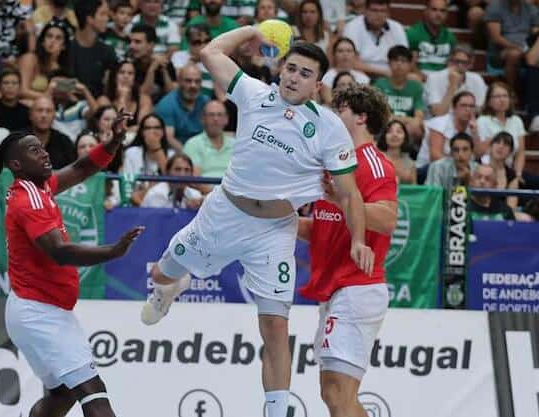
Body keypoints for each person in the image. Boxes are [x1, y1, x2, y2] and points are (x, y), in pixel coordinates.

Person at [142, 30, 373, 417]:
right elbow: (208, 52)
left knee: (275, 326)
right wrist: (251, 31)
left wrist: (358, 240)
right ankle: (168, 290)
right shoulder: (252, 92)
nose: (293, 77)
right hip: (224, 214)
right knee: (165, 271)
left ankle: (276, 410)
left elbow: (350, 194)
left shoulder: (330, 129)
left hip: (274, 231)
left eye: (304, 74)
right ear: (281, 68)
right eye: (290, 68)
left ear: (317, 85)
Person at [0, 118, 143, 417]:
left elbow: (81, 169)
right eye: (33, 151)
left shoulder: (39, 187)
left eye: (41, 147)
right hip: (40, 314)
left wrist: (114, 142)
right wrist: (113, 251)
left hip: (37, 310)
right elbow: (60, 252)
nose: (43, 153)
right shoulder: (29, 200)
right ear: (16, 164)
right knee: (94, 393)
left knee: (62, 395)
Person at [298, 84, 397, 417]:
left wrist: (342, 198)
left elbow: (387, 219)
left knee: (338, 395)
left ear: (361, 117)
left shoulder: (374, 163)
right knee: (333, 394)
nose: (332, 116)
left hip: (358, 287)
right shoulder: (334, 163)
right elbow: (322, 228)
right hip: (335, 290)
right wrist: (278, 221)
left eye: (339, 110)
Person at [484, 0, 539, 98]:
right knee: (514, 55)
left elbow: (535, 35)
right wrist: (519, 48)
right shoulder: (495, 7)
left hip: (526, 49)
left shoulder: (532, 9)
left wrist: (529, 49)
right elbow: (496, 38)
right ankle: (511, 93)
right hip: (501, 50)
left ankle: (532, 98)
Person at [341, 0, 408, 78]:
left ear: (388, 13)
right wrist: (383, 73)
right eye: (374, 10)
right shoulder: (352, 27)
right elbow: (351, 61)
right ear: (365, 11)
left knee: (414, 79)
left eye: (382, 11)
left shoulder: (397, 27)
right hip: (362, 74)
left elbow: (405, 58)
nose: (378, 15)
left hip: (392, 74)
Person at [66, 0, 118, 99]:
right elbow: (58, 82)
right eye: (102, 14)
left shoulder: (107, 51)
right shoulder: (66, 48)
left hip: (99, 104)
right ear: (89, 19)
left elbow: (110, 86)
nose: (107, 19)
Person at [373, 45, 426, 140]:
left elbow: (418, 118)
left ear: (410, 65)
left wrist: (395, 119)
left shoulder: (416, 87)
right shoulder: (379, 84)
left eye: (403, 61)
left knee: (416, 128)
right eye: (395, 60)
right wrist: (406, 120)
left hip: (407, 129)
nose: (399, 64)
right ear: (389, 63)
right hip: (385, 126)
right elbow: (378, 115)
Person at [475, 81, 526, 179]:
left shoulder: (516, 120)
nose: (502, 100)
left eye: (505, 96)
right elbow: (478, 153)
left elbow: (520, 152)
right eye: (497, 97)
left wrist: (517, 175)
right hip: (487, 169)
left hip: (510, 171)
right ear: (489, 101)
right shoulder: (482, 121)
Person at [417, 91, 479, 169]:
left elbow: (477, 156)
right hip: (428, 168)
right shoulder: (440, 123)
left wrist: (475, 134)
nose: (467, 109)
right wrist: (459, 166)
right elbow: (435, 156)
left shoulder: (473, 126)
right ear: (454, 108)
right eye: (463, 106)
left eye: (471, 106)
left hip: (458, 167)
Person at [425, 45, 487, 116]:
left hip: (468, 121)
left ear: (471, 64)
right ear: (448, 62)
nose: (459, 65)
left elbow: (481, 108)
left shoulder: (477, 79)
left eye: (464, 62)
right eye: (456, 61)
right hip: (440, 123)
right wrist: (452, 86)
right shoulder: (434, 78)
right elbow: (438, 113)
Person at [155, 64, 209, 146]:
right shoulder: (166, 104)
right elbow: (169, 139)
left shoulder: (207, 102)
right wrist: (189, 155)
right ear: (179, 81)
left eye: (197, 81)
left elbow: (214, 132)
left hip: (203, 148)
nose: (193, 85)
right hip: (176, 151)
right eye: (188, 81)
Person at [183, 99, 235, 180]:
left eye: (220, 114)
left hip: (233, 191)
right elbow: (195, 180)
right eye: (211, 115)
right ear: (202, 119)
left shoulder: (236, 144)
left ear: (226, 119)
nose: (216, 119)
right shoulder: (192, 144)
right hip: (204, 192)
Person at [19, 22, 70, 101]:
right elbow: (22, 91)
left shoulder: (64, 66)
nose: (52, 41)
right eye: (49, 36)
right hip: (30, 105)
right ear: (43, 41)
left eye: (58, 38)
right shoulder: (30, 58)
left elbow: (70, 92)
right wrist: (46, 96)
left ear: (64, 46)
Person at [97, 60, 153, 131]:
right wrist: (122, 99)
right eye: (121, 72)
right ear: (114, 77)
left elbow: (144, 128)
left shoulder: (144, 99)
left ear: (135, 78)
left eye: (130, 73)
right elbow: (118, 129)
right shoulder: (103, 100)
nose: (126, 76)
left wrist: (129, 129)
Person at [406, 0, 457, 78]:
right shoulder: (412, 34)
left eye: (442, 11)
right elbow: (409, 64)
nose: (438, 14)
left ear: (447, 14)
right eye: (434, 10)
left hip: (442, 82)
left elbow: (451, 65)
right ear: (426, 11)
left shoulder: (450, 37)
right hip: (419, 80)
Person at [30, 96, 77, 169]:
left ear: (54, 116)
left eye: (48, 111)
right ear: (30, 115)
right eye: (39, 110)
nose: (44, 115)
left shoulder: (64, 142)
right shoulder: (19, 140)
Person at [319, 38, 370, 104]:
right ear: (334, 54)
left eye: (349, 51)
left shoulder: (363, 78)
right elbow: (329, 101)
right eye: (340, 51)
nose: (345, 54)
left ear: (355, 54)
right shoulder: (326, 77)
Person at [377, 119, 416, 184]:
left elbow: (414, 189)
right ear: (384, 136)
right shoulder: (377, 159)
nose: (394, 135)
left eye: (399, 132)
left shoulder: (411, 163)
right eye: (389, 131)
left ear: (405, 137)